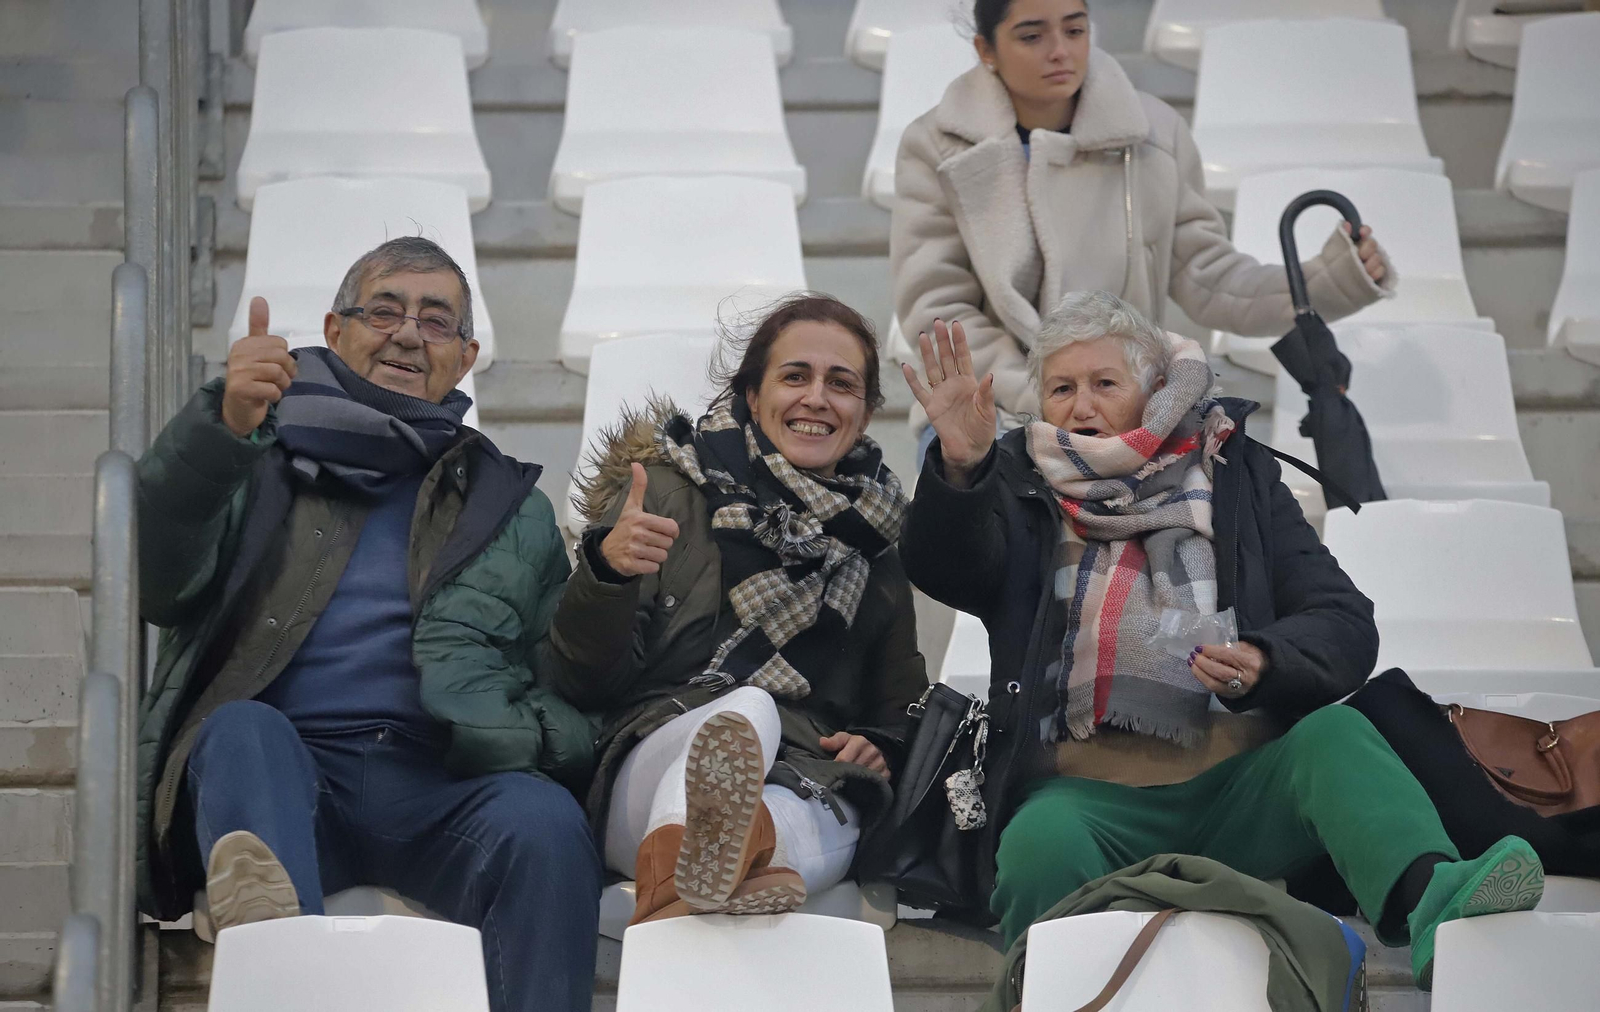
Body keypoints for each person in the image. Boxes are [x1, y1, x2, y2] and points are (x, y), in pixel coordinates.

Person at [898, 292, 1545, 989]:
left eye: (1104, 383)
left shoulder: (1233, 474)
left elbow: (1342, 620)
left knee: (1338, 738)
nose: (1081, 405)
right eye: (1062, 388)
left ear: (1150, 392)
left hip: (1242, 784)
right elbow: (950, 565)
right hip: (1088, 796)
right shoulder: (1018, 484)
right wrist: (961, 473)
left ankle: (1438, 909)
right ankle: (1055, 995)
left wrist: (1267, 660)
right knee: (1035, 847)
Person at [133, 237, 602, 1012]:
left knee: (543, 821)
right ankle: (279, 958)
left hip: (434, 783)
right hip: (284, 774)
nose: (409, 333)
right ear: (334, 327)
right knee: (241, 729)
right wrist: (217, 430)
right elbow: (160, 579)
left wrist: (530, 728)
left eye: (436, 320)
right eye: (383, 310)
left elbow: (558, 667)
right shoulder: (256, 449)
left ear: (467, 356)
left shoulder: (509, 505)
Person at [548, 294, 929, 925]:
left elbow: (900, 706)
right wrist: (608, 573)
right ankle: (692, 875)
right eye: (794, 377)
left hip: (804, 779)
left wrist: (882, 744)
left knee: (802, 817)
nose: (816, 398)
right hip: (646, 769)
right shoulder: (667, 492)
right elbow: (578, 678)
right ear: (753, 396)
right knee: (750, 708)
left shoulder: (876, 539)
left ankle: (710, 874)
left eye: (842, 384)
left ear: (863, 415)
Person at [892, 0, 1394, 453]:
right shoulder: (936, 146)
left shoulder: (1153, 133)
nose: (1060, 51)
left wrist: (1330, 278)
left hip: (1128, 411)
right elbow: (939, 311)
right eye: (1031, 36)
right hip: (992, 410)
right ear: (986, 49)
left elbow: (1208, 276)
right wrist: (1046, 397)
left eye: (1075, 29)